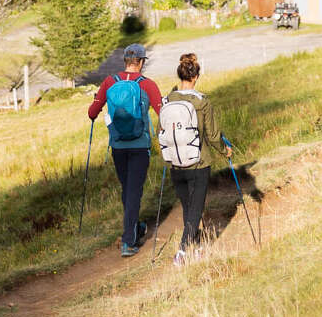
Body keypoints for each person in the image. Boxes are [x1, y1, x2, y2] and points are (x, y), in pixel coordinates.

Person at [88, 43, 161, 257]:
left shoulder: (110, 82)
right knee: (133, 192)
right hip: (139, 145)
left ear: (125, 61)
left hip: (118, 146)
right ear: (141, 62)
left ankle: (135, 228)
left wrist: (98, 101)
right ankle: (128, 241)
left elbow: (92, 113)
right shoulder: (147, 85)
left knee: (128, 190)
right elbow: (161, 111)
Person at [159, 53, 231, 266]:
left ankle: (198, 247)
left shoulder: (167, 100)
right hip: (199, 163)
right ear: (196, 76)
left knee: (189, 208)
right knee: (195, 209)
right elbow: (213, 135)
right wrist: (225, 150)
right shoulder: (203, 101)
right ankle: (182, 252)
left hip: (175, 164)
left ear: (179, 75)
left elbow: (159, 131)